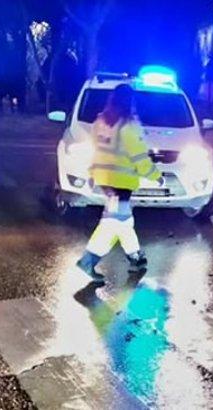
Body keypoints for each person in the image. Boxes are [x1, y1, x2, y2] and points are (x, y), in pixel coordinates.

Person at [76, 84, 162, 282]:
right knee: (113, 222)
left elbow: (97, 151)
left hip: (106, 183)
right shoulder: (128, 127)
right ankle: (89, 261)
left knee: (122, 220)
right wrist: (155, 176)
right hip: (121, 184)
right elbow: (140, 158)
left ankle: (135, 257)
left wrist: (92, 174)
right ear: (130, 102)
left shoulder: (100, 122)